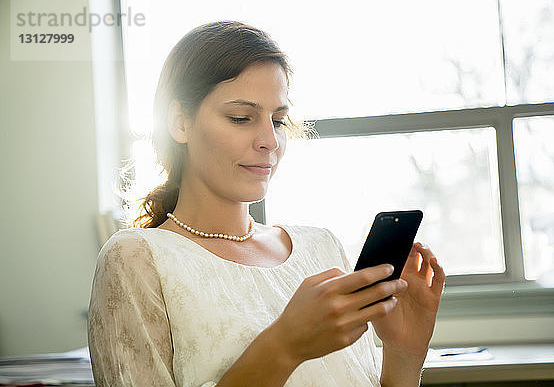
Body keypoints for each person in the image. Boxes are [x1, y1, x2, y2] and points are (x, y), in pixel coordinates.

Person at [87, 20, 446, 387]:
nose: (269, 141)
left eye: (277, 120)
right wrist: (284, 346)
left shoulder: (322, 247)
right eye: (241, 118)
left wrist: (404, 353)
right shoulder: (135, 258)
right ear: (179, 122)